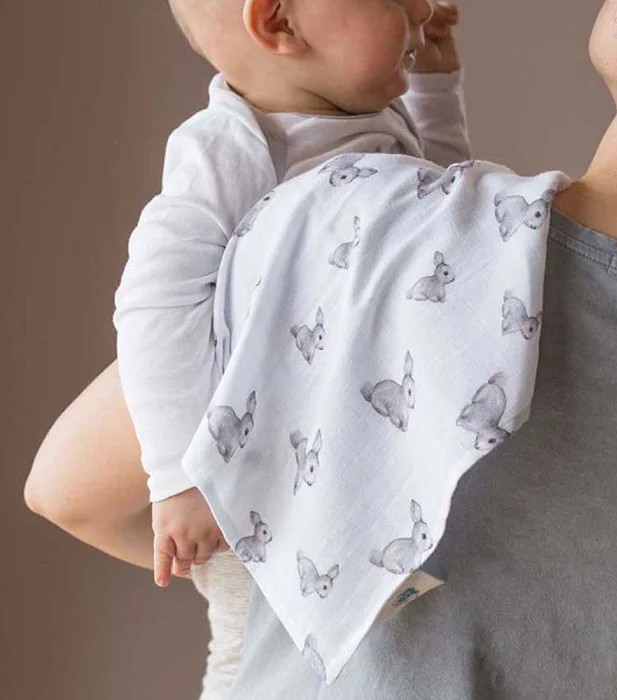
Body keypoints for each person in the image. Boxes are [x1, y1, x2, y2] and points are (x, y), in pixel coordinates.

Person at [25, 0, 617, 696]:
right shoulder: (252, 159)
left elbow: (68, 490)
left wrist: (227, 530)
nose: (420, 6)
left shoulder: (331, 222)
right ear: (276, 24)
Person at [113, 0, 470, 590]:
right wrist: (178, 476)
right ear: (279, 23)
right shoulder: (233, 148)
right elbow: (155, 303)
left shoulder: (374, 114)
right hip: (268, 479)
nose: (423, 6)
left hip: (357, 431)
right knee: (261, 615)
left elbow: (446, 205)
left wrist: (434, 87)